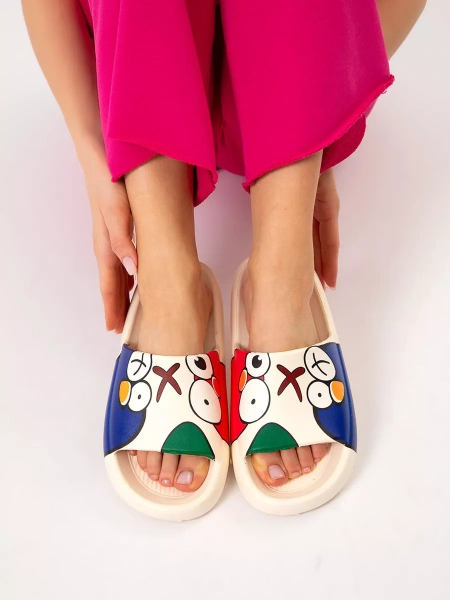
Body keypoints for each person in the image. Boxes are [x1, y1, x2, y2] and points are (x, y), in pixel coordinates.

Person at [22, 1, 426, 494]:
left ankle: (280, 279)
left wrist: (321, 110)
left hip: (283, 55)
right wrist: (95, 156)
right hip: (139, 72)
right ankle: (169, 280)